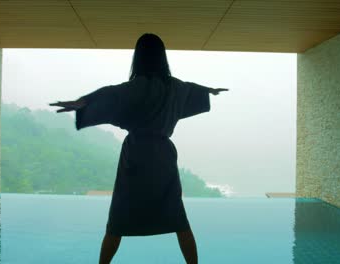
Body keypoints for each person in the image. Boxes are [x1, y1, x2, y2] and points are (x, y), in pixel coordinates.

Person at [50, 33, 228, 264]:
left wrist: (82, 102)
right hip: (164, 156)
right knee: (177, 215)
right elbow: (193, 90)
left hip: (136, 156)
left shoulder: (135, 87)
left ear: (139, 57)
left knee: (118, 218)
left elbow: (110, 94)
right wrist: (209, 90)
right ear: (162, 57)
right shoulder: (175, 87)